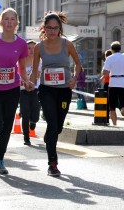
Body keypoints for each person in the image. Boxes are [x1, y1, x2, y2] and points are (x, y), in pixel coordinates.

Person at [0, 7, 33, 174]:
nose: (9, 22)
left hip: (12, 89)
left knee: (8, 126)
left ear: (17, 23)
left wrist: (27, 80)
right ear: (1, 22)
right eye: (6, 19)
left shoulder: (21, 43)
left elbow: (21, 68)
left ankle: (0, 160)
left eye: (12, 19)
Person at [30, 11, 81, 177]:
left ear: (60, 28)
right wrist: (30, 83)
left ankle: (50, 135)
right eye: (49, 28)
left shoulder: (67, 44)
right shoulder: (39, 47)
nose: (52, 31)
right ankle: (53, 163)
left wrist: (74, 78)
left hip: (64, 90)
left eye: (55, 28)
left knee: (58, 126)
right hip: (46, 90)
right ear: (44, 28)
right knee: (52, 124)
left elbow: (78, 65)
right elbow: (35, 70)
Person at [102, 41, 124, 126]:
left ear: (111, 49)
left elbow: (105, 72)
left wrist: (104, 71)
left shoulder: (109, 58)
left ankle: (115, 125)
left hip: (113, 83)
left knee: (112, 107)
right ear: (120, 49)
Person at [19, 40, 41, 146]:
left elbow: (37, 75)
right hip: (23, 90)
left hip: (35, 90)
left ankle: (33, 122)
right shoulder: (21, 61)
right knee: (25, 114)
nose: (32, 50)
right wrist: (25, 84)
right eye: (29, 48)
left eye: (34, 48)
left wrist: (30, 82)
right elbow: (19, 75)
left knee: (35, 114)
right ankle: (26, 137)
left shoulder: (39, 61)